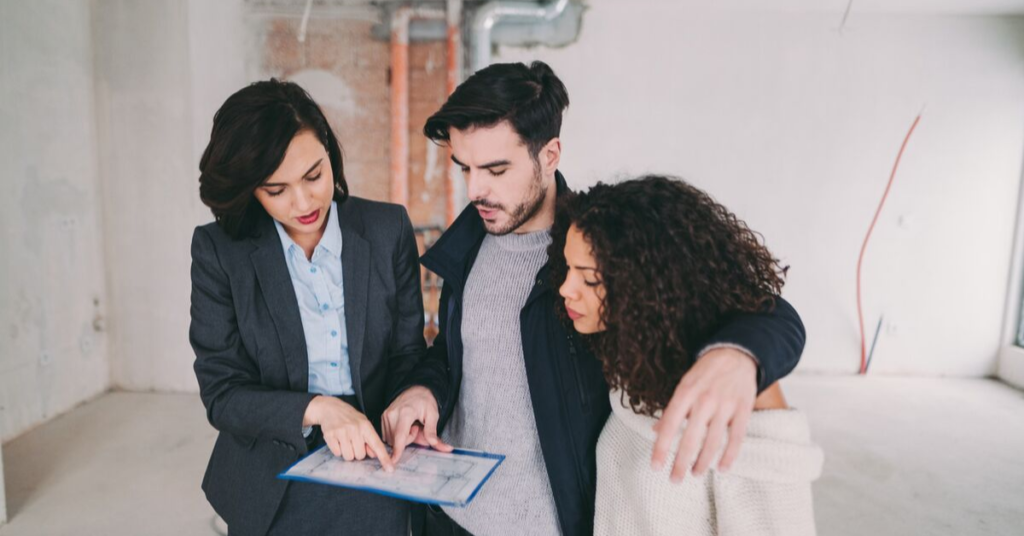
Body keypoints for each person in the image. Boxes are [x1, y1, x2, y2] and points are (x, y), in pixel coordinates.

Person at [382, 61, 807, 536]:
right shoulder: (468, 245)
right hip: (452, 518)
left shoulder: (597, 246)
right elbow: (458, 349)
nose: (475, 189)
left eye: (496, 169)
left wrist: (737, 355)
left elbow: (766, 312)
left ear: (550, 154)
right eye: (465, 168)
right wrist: (424, 388)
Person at [190, 79, 424, 535]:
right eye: (276, 190)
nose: (303, 203)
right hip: (272, 464)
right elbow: (223, 395)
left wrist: (410, 402)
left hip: (375, 451)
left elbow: (407, 356)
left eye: (314, 175)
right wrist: (319, 408)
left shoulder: (386, 228)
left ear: (330, 157)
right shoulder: (221, 251)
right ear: (250, 191)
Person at [552, 175, 824, 535]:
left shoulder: (735, 394)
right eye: (569, 269)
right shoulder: (631, 362)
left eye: (589, 279)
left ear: (647, 284)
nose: (565, 289)